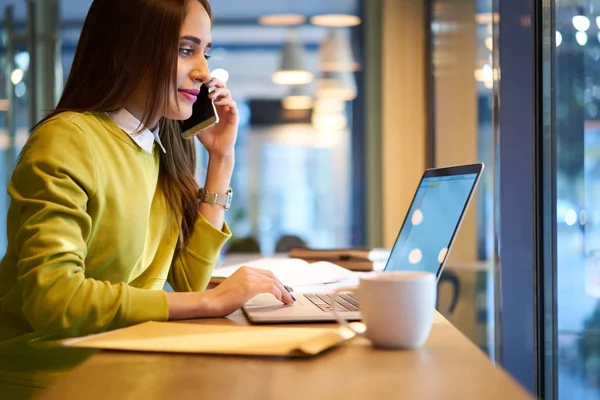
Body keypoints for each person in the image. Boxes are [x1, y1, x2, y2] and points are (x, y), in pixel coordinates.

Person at [0, 0, 294, 397]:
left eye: (205, 52)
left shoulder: (156, 147)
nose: (204, 72)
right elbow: (56, 300)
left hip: (124, 365)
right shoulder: (67, 140)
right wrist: (211, 302)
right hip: (52, 378)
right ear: (127, 49)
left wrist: (222, 158)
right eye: (185, 49)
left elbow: (190, 281)